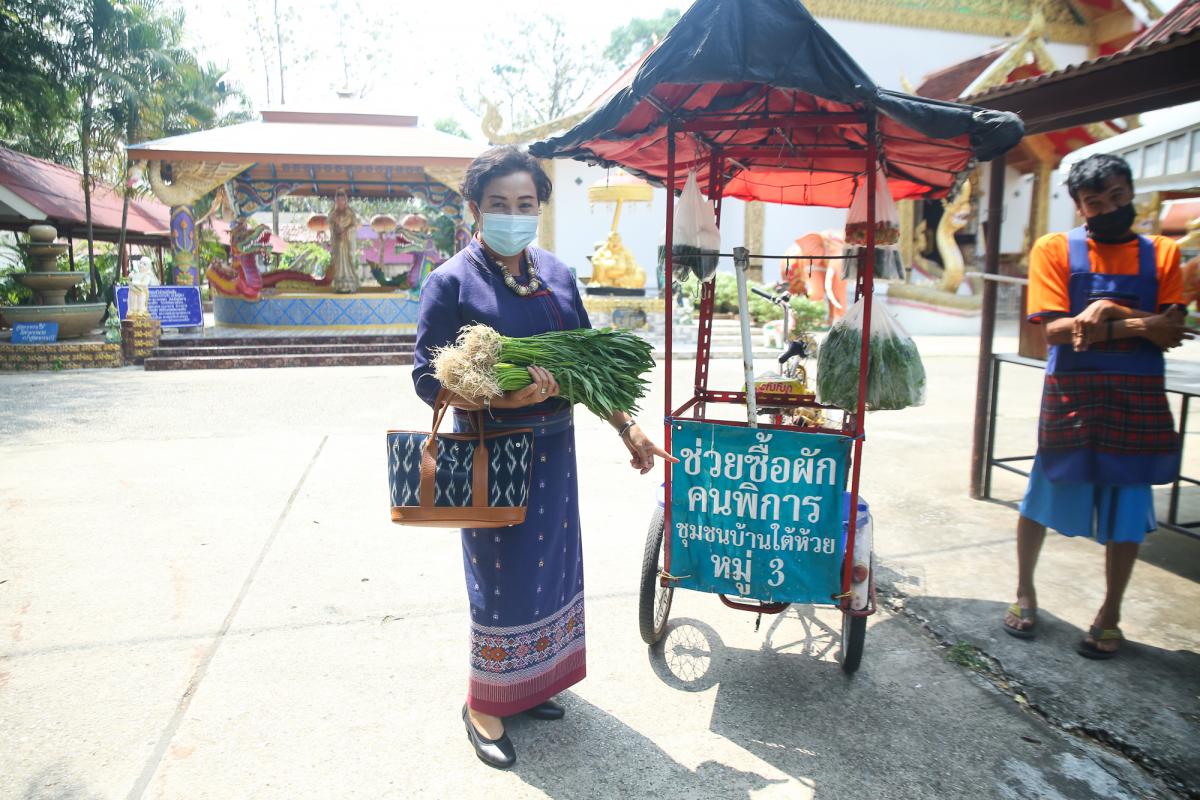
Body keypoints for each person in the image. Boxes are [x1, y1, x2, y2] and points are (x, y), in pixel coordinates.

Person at [411, 145, 674, 769]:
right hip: (492, 450)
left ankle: (529, 686)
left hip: (555, 454)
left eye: (524, 203)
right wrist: (500, 395)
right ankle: (484, 703)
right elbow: (427, 378)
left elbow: (585, 370)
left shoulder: (556, 276)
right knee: (500, 580)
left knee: (551, 571)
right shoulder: (450, 282)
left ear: (539, 209)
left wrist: (626, 428)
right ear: (475, 208)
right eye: (498, 204)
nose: (511, 213)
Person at [1002, 153, 1193, 659]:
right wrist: (1136, 323)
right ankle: (1025, 590)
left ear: (1131, 193)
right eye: (1095, 201)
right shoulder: (1055, 249)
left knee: (1129, 506)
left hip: (1137, 394)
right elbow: (1054, 331)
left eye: (1117, 197)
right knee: (1041, 491)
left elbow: (1173, 329)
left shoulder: (1164, 254)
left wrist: (1107, 311)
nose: (1108, 207)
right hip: (1074, 392)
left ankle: (1111, 612)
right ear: (1078, 205)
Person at [329, 189, 359, 293]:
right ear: (336, 202)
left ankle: (349, 282)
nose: (340, 202)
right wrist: (337, 231)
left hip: (347, 242)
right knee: (338, 261)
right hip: (338, 242)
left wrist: (346, 231)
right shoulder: (333, 214)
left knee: (348, 260)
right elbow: (332, 226)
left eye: (342, 200)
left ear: (345, 201)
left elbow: (354, 225)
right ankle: (339, 283)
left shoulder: (350, 213)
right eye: (338, 200)